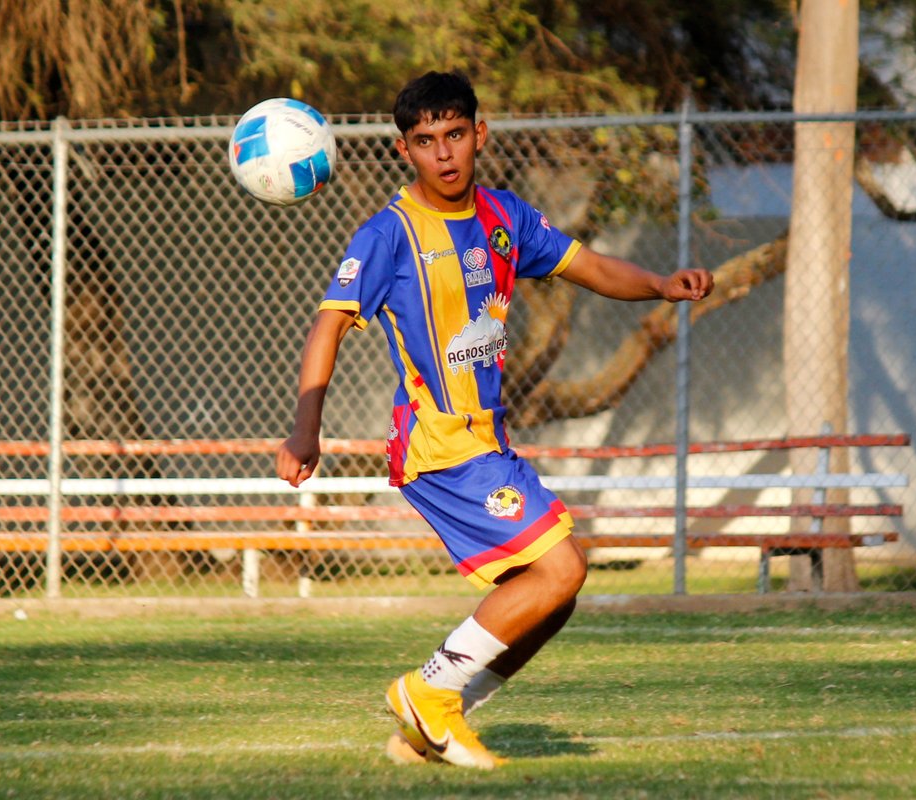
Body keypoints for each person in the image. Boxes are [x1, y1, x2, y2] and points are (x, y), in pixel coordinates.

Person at [276, 70, 714, 769]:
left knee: (554, 596)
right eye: (426, 141)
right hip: (439, 441)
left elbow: (588, 265)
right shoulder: (389, 234)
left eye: (455, 135)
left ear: (479, 134)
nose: (443, 153)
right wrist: (307, 428)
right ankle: (429, 692)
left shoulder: (505, 217)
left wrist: (660, 284)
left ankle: (434, 722)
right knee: (561, 569)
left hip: (487, 439)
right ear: (403, 151)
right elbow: (328, 324)